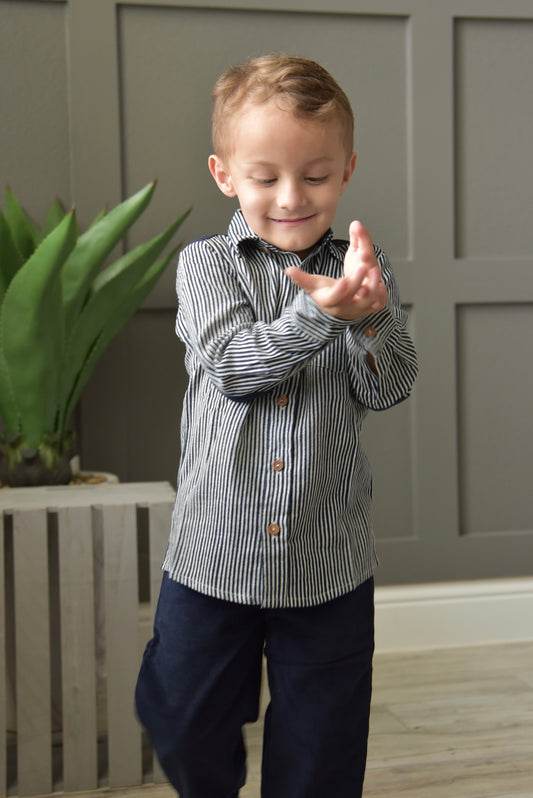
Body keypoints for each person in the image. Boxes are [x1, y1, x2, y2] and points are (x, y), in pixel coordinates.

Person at [135, 54, 418, 797]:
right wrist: (320, 315)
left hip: (327, 563)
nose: (291, 198)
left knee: (321, 755)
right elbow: (235, 369)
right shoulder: (205, 267)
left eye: (316, 176)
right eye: (265, 178)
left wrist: (367, 321)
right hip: (211, 558)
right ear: (225, 174)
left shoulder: (362, 269)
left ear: (347, 169)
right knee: (181, 719)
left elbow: (390, 386)